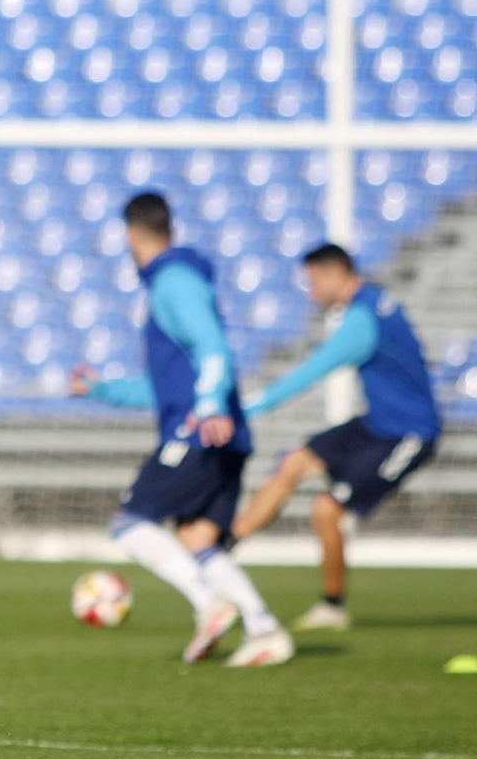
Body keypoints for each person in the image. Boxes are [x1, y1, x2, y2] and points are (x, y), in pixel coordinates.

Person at [71, 192, 293, 667]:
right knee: (195, 538)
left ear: (131, 235)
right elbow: (167, 387)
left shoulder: (173, 282)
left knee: (130, 522)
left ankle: (208, 603)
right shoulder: (177, 280)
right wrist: (103, 390)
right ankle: (264, 628)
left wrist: (209, 404)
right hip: (222, 433)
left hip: (198, 431)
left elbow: (213, 347)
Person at [231, 243, 441, 629]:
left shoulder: (362, 319)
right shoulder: (375, 300)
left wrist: (246, 408)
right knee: (294, 462)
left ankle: (332, 607)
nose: (312, 295)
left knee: (326, 510)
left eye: (313, 283)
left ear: (334, 273)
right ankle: (223, 547)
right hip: (377, 423)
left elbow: (311, 372)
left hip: (409, 433)